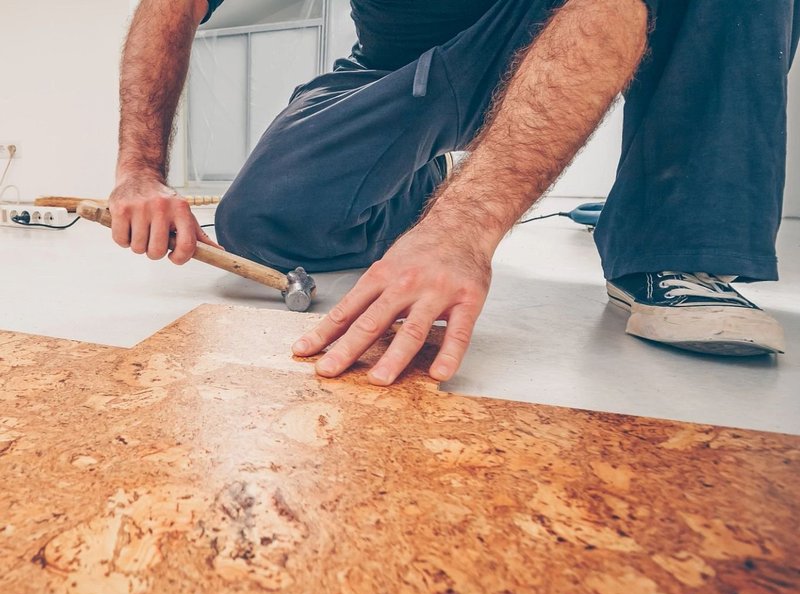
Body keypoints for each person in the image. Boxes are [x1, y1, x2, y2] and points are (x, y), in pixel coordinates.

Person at [109, 0, 798, 386]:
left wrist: (466, 228)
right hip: (400, 62)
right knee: (265, 218)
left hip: (556, 19)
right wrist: (139, 169)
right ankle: (417, 195)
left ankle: (671, 247)